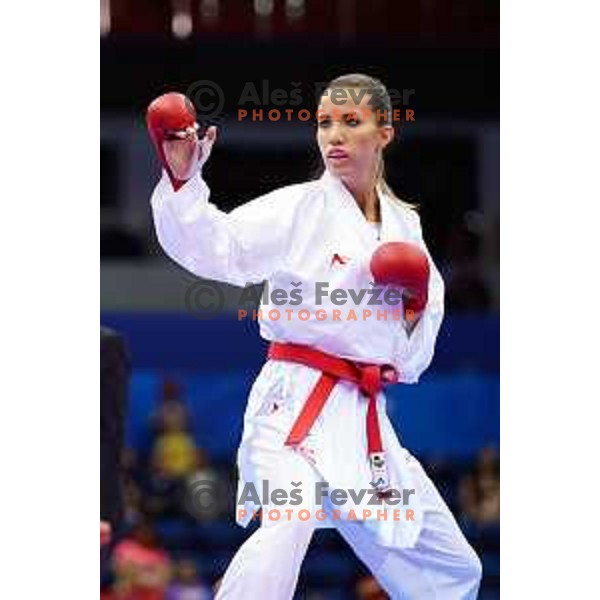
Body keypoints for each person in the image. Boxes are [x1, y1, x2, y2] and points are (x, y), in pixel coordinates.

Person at [147, 74, 482, 599]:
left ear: (384, 133)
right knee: (287, 525)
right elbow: (220, 248)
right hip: (294, 404)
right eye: (325, 123)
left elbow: (411, 361)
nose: (334, 136)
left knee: (452, 567)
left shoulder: (404, 227)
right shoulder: (300, 208)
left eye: (351, 123)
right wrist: (184, 183)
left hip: (364, 418)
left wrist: (414, 306)